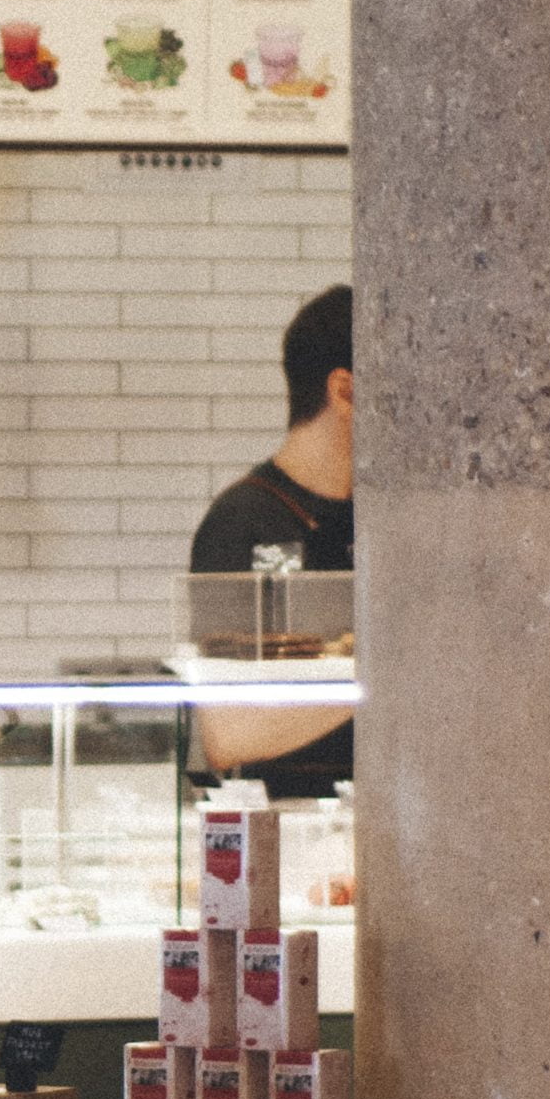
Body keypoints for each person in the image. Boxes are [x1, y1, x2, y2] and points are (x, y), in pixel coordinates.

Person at [186, 284, 354, 787]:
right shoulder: (241, 523)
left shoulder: (387, 523)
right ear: (344, 390)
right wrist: (393, 678)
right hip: (283, 834)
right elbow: (229, 735)